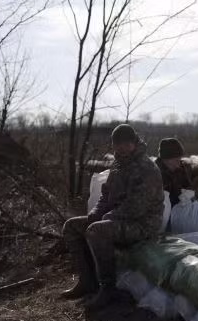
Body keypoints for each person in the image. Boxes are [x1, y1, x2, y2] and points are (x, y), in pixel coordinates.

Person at [61, 124, 164, 309]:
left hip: (143, 225)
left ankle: (108, 289)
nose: (122, 148)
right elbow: (106, 195)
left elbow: (137, 207)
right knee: (72, 226)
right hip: (118, 218)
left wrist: (108, 216)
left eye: (126, 144)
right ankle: (87, 280)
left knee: (97, 230)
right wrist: (95, 213)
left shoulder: (146, 168)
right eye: (118, 144)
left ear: (134, 143)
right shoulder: (117, 164)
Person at [155, 137, 193, 207]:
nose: (178, 165)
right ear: (165, 159)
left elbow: (188, 186)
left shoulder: (180, 168)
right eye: (176, 160)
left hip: (181, 209)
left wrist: (188, 194)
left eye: (179, 160)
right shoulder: (154, 172)